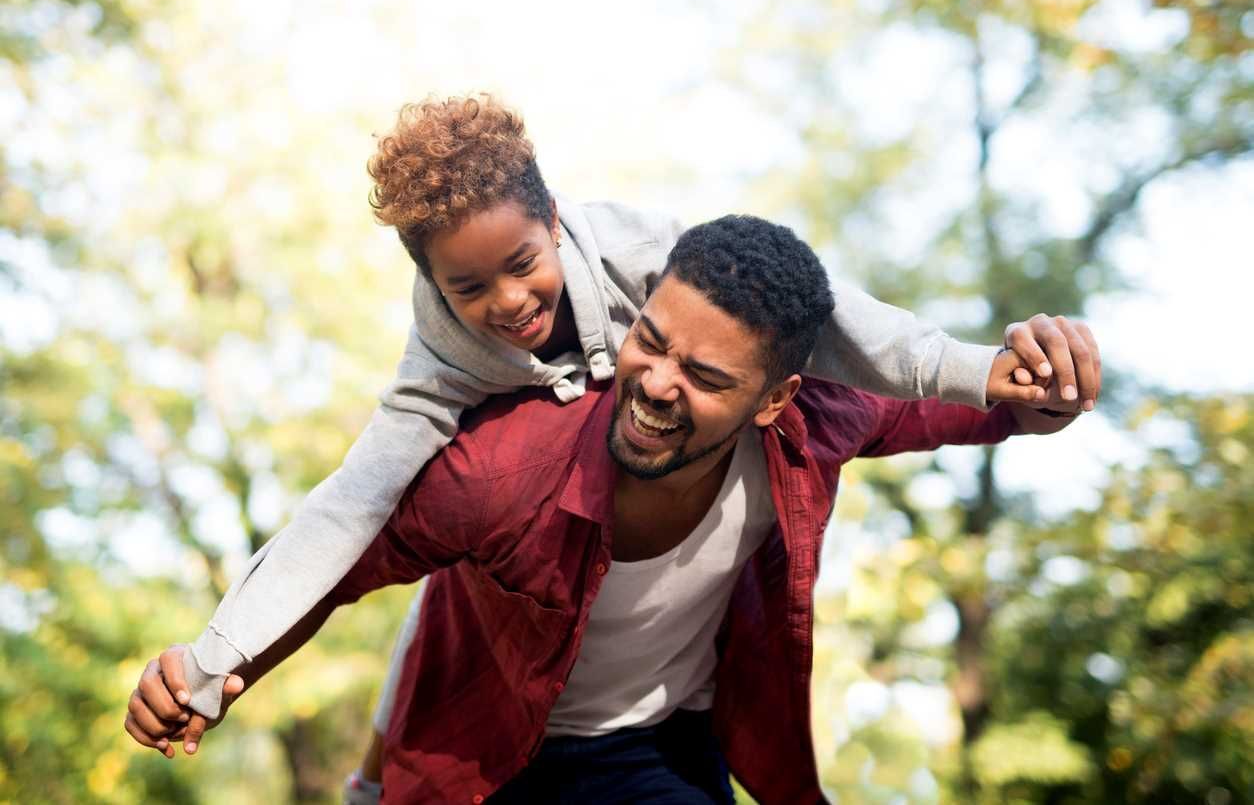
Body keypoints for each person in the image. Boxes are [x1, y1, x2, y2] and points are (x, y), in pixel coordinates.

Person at [125, 214, 1095, 803]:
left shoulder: (819, 421)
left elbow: (991, 407)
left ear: (773, 399)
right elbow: (343, 556)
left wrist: (1050, 383)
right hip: (487, 757)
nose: (657, 384)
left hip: (653, 752)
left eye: (705, 376)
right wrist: (217, 666)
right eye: (652, 342)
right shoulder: (500, 469)